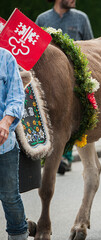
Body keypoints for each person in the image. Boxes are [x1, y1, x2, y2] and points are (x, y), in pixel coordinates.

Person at [36, 0, 94, 174]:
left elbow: (91, 47)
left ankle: (65, 157)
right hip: (49, 80)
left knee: (66, 116)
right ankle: (48, 153)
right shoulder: (42, 19)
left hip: (74, 80)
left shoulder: (81, 18)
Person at [0, 47, 28, 240]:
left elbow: (16, 97)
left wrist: (5, 122)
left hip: (4, 144)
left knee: (10, 196)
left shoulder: (5, 57)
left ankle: (18, 235)